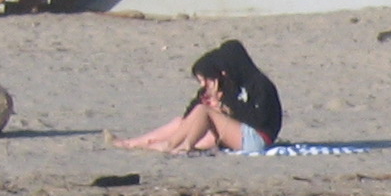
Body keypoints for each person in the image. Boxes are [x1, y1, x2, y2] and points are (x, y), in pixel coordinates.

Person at [114, 40, 285, 154]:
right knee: (182, 120)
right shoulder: (229, 86)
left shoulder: (260, 84)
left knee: (204, 111)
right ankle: (137, 143)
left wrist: (224, 107)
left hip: (258, 138)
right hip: (238, 135)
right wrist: (215, 104)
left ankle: (176, 146)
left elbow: (259, 120)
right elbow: (190, 115)